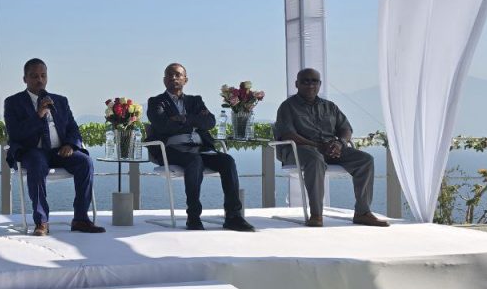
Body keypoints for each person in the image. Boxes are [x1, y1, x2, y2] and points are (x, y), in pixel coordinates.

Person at [145, 63, 255, 232]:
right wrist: (195, 120)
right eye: (169, 75)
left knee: (227, 161)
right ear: (164, 80)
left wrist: (182, 119)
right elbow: (162, 126)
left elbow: (210, 122)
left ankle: (233, 216)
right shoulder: (156, 102)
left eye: (178, 75)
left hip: (199, 147)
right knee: (194, 161)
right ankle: (193, 216)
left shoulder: (195, 100)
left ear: (185, 80)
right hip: (172, 150)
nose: (173, 77)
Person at [273, 68, 389, 228]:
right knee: (315, 159)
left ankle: (362, 213)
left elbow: (346, 128)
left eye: (314, 81)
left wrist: (340, 143)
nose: (310, 85)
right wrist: (319, 146)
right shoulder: (287, 107)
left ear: (320, 84)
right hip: (299, 150)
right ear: (297, 84)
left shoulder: (330, 106)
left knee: (365, 160)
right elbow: (288, 135)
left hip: (330, 149)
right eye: (305, 81)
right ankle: (316, 214)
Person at [4, 58, 105, 236]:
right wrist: (38, 115)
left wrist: (70, 144)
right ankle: (41, 222)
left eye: (43, 75)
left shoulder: (60, 101)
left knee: (85, 162)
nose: (40, 80)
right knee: (36, 163)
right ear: (25, 79)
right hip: (33, 151)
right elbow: (16, 134)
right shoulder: (13, 102)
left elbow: (73, 128)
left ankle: (81, 219)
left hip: (60, 151)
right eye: (34, 76)